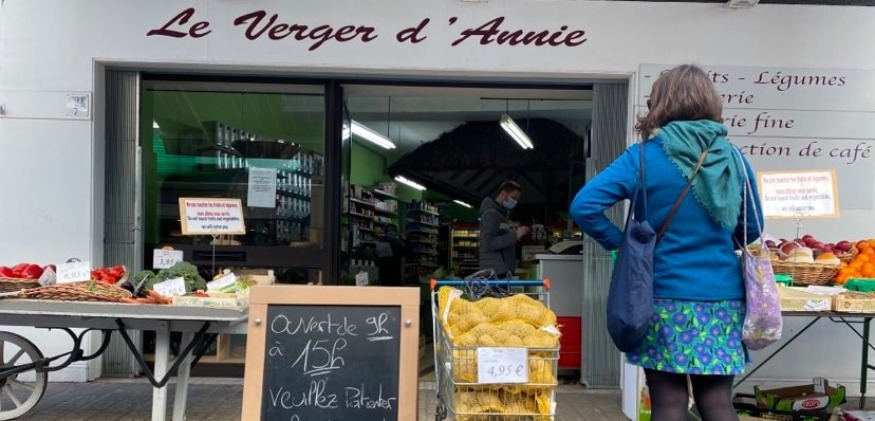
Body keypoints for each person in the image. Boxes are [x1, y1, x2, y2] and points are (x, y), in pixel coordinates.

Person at [569, 64, 763, 421]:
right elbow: (752, 230)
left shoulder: (643, 157)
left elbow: (584, 206)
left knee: (669, 403)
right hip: (723, 300)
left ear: (660, 103)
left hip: (661, 298)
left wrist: (621, 245)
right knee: (718, 402)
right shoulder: (734, 159)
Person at [478, 180, 530, 279]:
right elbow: (488, 244)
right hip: (495, 273)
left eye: (517, 199)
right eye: (513, 198)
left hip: (497, 270)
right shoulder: (491, 214)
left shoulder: (500, 215)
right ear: (503, 194)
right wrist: (515, 235)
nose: (515, 202)